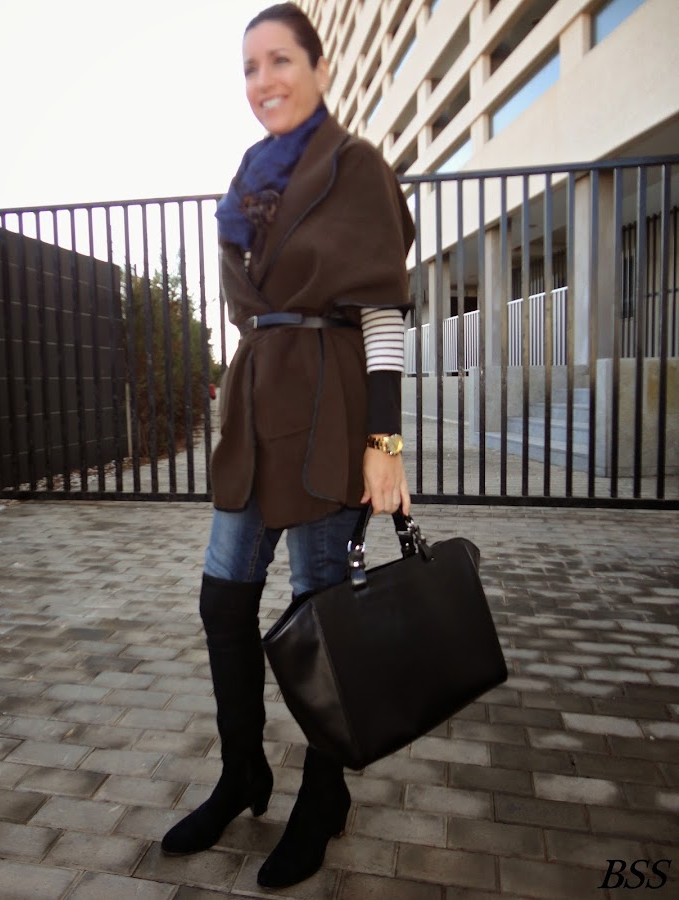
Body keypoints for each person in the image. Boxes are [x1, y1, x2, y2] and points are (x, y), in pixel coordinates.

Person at [161, 2, 415, 888]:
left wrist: (384, 440)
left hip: (328, 404)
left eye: (280, 60)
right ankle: (243, 771)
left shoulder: (357, 167)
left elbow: (382, 314)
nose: (263, 80)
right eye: (250, 67)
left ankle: (322, 792)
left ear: (318, 68)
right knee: (223, 600)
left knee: (320, 613)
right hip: (257, 397)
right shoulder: (247, 179)